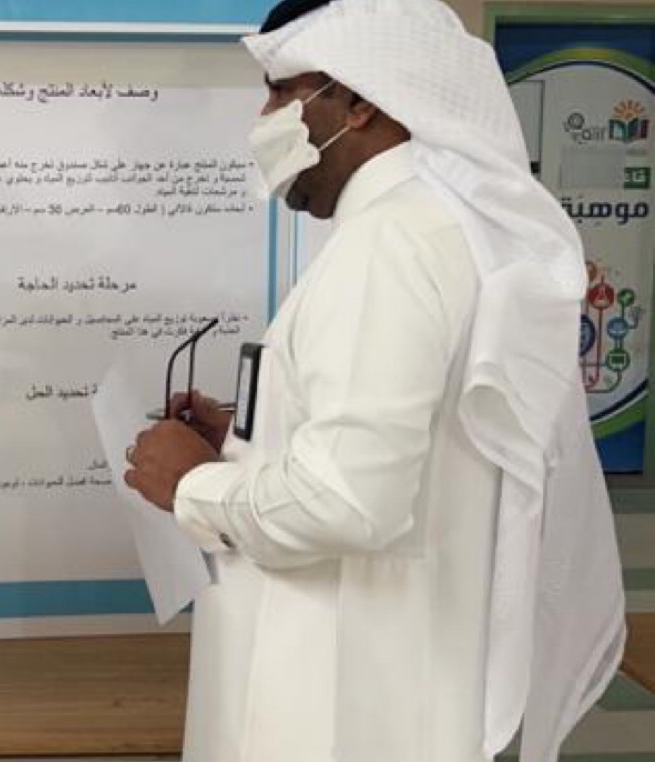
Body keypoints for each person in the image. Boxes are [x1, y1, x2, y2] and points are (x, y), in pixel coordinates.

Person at [123, 0, 626, 760]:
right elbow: (393, 448)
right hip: (387, 680)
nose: (262, 118)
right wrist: (245, 441)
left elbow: (349, 500)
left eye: (281, 91)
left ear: (357, 101)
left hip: (338, 705)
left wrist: (192, 485)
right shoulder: (422, 228)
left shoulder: (391, 244)